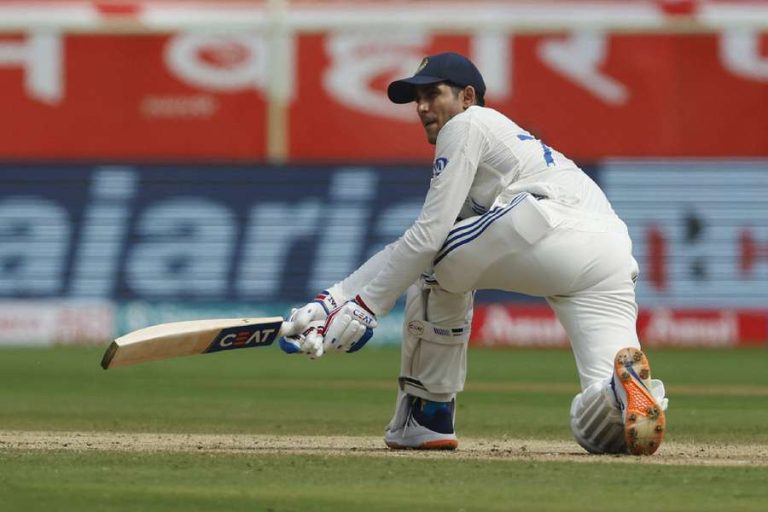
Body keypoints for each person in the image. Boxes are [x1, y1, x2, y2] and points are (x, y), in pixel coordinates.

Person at [279, 52, 668, 456]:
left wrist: (363, 306)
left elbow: (426, 240)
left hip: (548, 221)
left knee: (436, 268)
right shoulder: (504, 146)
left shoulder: (467, 123)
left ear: (468, 96)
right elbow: (414, 246)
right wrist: (331, 301)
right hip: (610, 251)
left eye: (433, 93)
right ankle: (624, 393)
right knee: (600, 427)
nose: (422, 107)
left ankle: (427, 417)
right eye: (417, 98)